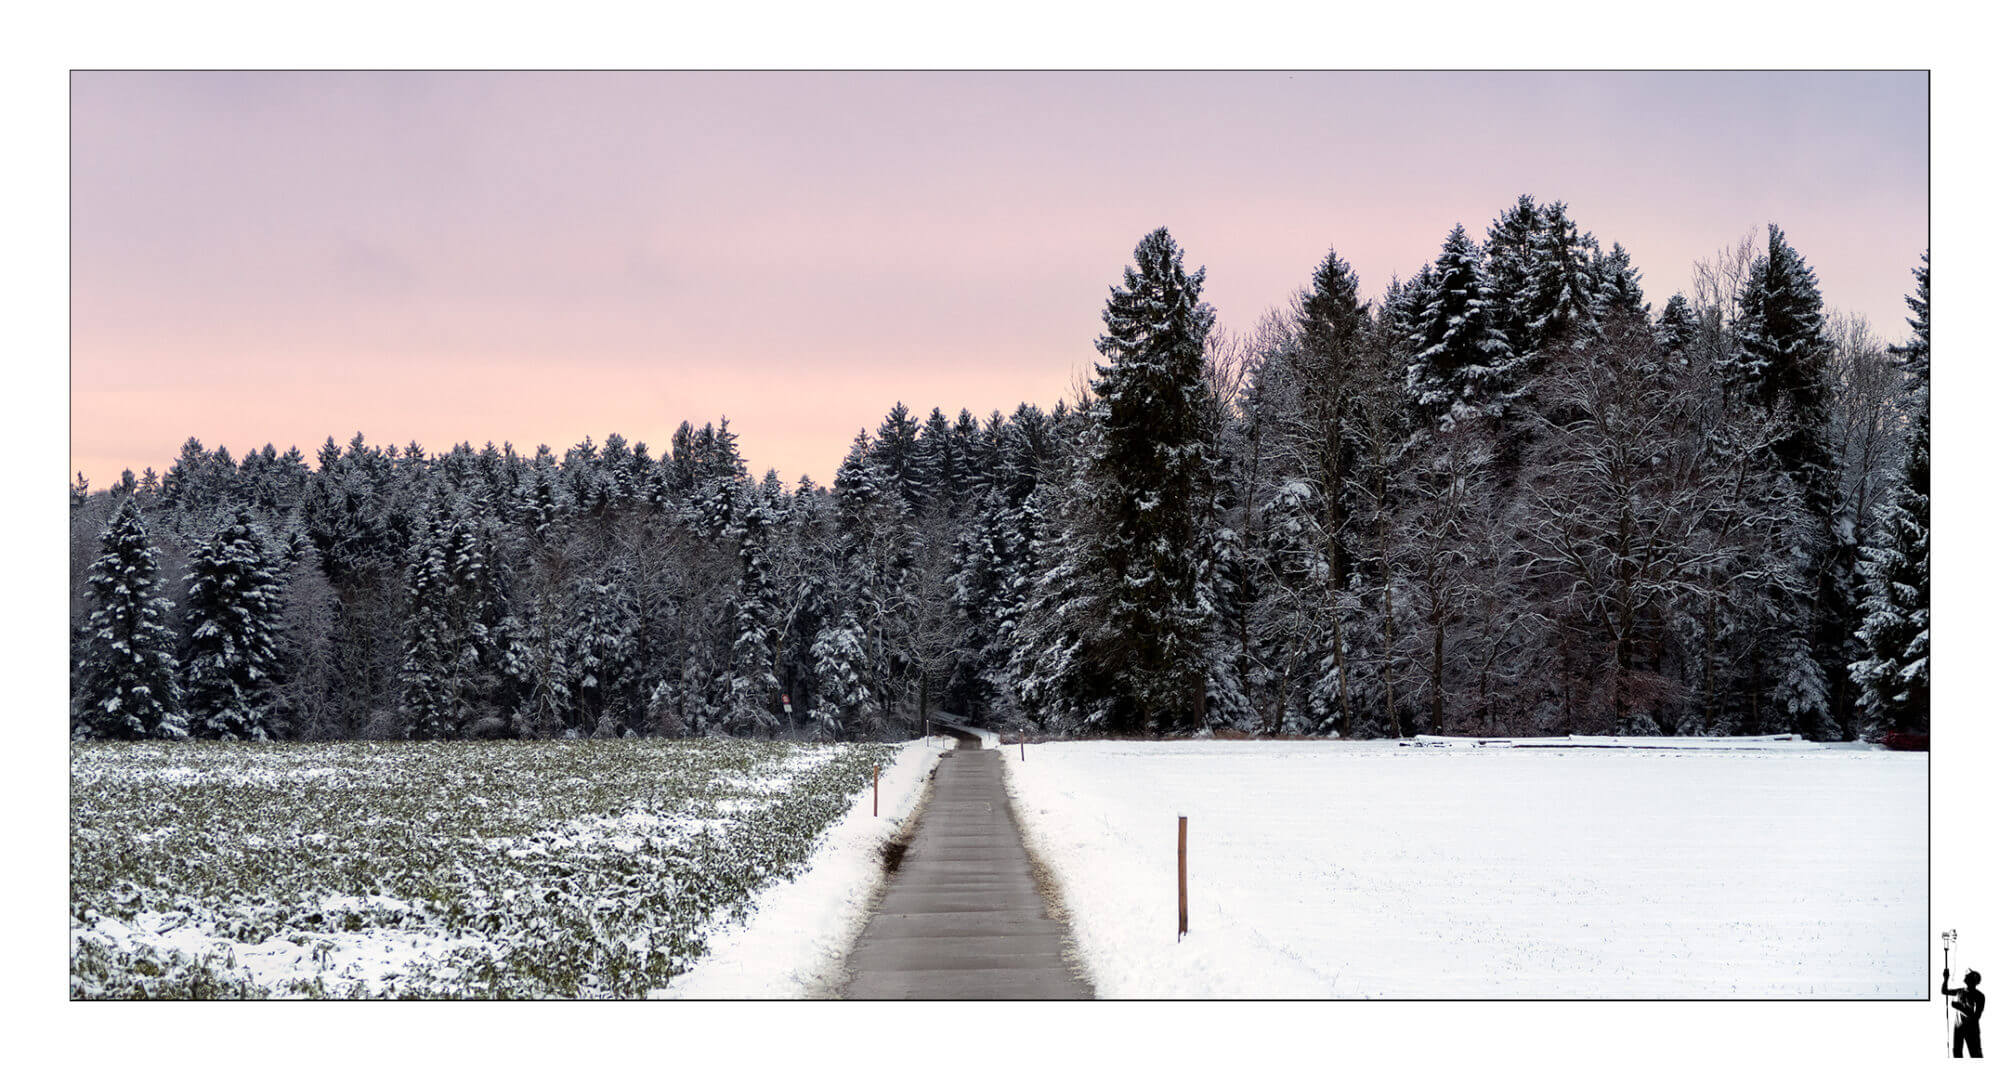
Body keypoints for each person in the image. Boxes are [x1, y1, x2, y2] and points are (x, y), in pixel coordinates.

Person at [1945, 968, 1985, 1058]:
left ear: (1973, 980)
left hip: (1971, 1030)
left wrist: (1960, 1007)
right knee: (1957, 1053)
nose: (1965, 975)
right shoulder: (1960, 991)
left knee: (1975, 1055)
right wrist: (1946, 978)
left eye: (1968, 975)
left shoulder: (1979, 996)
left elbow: (1976, 1017)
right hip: (1958, 1028)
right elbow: (1944, 991)